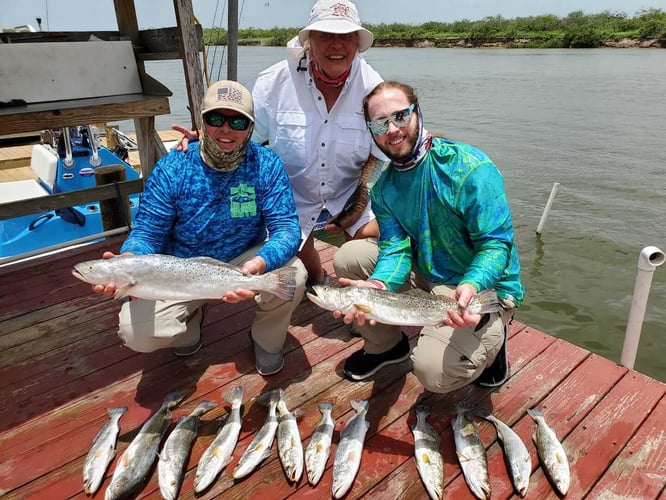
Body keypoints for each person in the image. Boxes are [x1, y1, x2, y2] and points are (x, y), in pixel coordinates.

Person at [91, 80, 307, 376]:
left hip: (244, 260)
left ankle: (266, 341)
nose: (226, 129)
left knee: (295, 276)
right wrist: (131, 258)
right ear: (201, 121)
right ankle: (190, 325)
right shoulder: (172, 167)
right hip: (181, 267)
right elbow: (147, 232)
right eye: (215, 119)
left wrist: (261, 262)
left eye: (238, 121)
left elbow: (286, 228)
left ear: (251, 127)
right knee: (136, 334)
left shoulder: (267, 164)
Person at [175, 0, 385, 288]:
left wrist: (358, 201)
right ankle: (317, 278)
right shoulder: (272, 82)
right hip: (291, 189)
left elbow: (384, 148)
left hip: (351, 186)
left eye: (346, 36)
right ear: (309, 40)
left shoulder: (374, 87)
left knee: (361, 244)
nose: (337, 45)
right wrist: (205, 137)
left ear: (358, 43)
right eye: (325, 35)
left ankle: (354, 293)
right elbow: (238, 126)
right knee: (294, 246)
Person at [331, 80, 525, 391]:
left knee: (433, 372)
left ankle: (494, 338)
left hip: (481, 285)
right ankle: (386, 348)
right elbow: (394, 249)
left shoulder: (471, 169)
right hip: (430, 268)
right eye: (380, 123)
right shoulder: (384, 188)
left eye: (400, 116)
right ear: (371, 130)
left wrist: (472, 283)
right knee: (349, 257)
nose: (392, 129)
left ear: (418, 113)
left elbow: (496, 246)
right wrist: (376, 286)